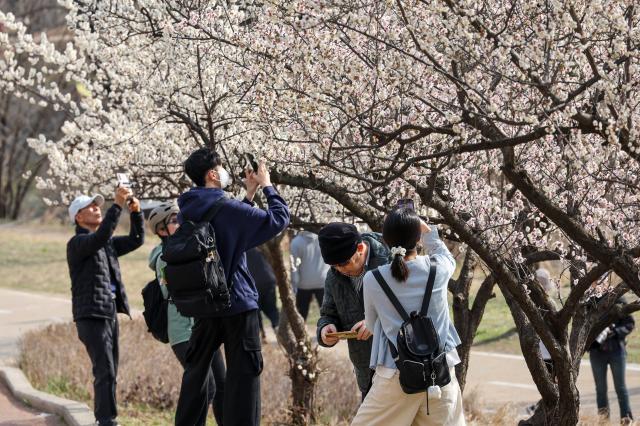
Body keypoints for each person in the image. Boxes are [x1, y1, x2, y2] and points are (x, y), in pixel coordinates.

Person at [174, 148, 290, 426]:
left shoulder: (186, 211)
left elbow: (229, 235)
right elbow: (278, 219)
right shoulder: (226, 207)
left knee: (195, 374)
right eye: (221, 167)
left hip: (204, 303)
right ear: (213, 174)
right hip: (236, 302)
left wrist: (248, 196)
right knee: (244, 379)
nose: (225, 171)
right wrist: (267, 186)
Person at [352, 208, 464, 425]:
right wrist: (428, 231)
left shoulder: (374, 279)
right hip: (440, 375)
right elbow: (444, 254)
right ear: (418, 237)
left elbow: (373, 326)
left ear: (384, 240)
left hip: (396, 376)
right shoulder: (438, 268)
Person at [66, 187, 144, 426]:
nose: (96, 208)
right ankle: (106, 420)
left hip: (108, 312)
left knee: (111, 370)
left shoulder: (106, 243)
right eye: (90, 206)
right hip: (90, 315)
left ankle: (107, 418)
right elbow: (98, 239)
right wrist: (117, 206)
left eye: (98, 205)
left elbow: (136, 240)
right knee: (105, 369)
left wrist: (136, 213)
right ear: (78, 217)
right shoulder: (77, 243)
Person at [147, 202, 225, 425]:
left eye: (180, 217)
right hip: (183, 332)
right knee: (205, 388)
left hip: (204, 325)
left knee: (222, 386)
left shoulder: (190, 247)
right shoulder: (164, 258)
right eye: (173, 220)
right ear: (162, 231)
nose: (180, 222)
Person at [316, 222, 390, 400]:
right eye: (335, 266)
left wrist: (375, 322)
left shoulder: (391, 258)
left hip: (398, 365)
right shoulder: (334, 276)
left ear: (359, 247)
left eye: (344, 263)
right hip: (366, 370)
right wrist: (326, 328)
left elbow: (410, 305)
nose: (342, 270)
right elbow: (328, 313)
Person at [589, 297, 635, 424]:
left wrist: (615, 331)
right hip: (596, 353)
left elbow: (630, 324)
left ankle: (627, 420)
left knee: (620, 388)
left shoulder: (619, 299)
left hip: (617, 352)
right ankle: (603, 421)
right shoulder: (591, 300)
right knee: (600, 389)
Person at [290, 230, 329, 320]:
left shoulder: (296, 242)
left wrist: (295, 285)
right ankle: (327, 332)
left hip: (304, 284)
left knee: (301, 315)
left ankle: (301, 333)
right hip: (322, 281)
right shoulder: (323, 239)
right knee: (328, 314)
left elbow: (294, 267)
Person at [245, 246, 280, 331]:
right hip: (269, 279)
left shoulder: (243, 249)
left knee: (256, 309)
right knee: (272, 309)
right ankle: (277, 328)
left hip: (255, 283)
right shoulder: (261, 246)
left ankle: (262, 333)